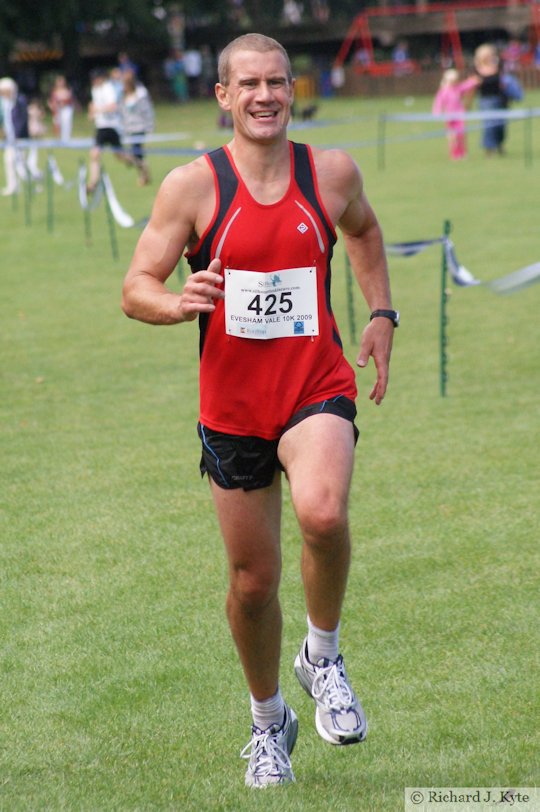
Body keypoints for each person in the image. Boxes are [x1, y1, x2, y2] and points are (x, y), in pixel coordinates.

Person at [122, 33, 397, 788]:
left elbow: (365, 230)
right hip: (234, 407)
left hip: (315, 387)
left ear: (291, 89)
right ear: (224, 96)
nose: (267, 95)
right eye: (250, 84)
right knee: (252, 582)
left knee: (325, 512)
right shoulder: (193, 187)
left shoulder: (330, 172)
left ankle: (325, 655)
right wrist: (177, 304)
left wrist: (381, 312)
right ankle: (268, 721)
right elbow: (135, 285)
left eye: (278, 81)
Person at [473, 43, 522, 156]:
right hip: (486, 101)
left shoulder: (498, 67)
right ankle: (489, 149)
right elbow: (474, 87)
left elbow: (506, 83)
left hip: (500, 100)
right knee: (489, 125)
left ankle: (500, 145)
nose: (491, 56)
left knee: (500, 125)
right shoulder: (477, 70)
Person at [87, 68, 127, 193]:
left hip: (112, 126)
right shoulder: (95, 89)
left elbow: (112, 106)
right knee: (94, 154)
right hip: (101, 127)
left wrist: (97, 111)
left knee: (120, 156)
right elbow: (94, 104)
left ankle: (139, 164)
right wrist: (91, 112)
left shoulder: (108, 88)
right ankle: (93, 183)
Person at [432, 68, 478, 160]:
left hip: (459, 115)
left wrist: (473, 80)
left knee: (461, 135)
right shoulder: (443, 91)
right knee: (452, 136)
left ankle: (462, 153)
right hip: (449, 116)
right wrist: (437, 112)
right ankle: (454, 154)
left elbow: (468, 85)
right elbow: (438, 102)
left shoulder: (458, 88)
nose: (454, 82)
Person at [120, 70, 154, 185]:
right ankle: (144, 174)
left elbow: (147, 111)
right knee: (136, 154)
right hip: (130, 129)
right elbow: (123, 114)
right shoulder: (124, 96)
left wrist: (149, 127)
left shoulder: (140, 95)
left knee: (137, 153)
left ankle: (144, 175)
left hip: (140, 128)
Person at [0, 77, 28, 195]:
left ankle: (34, 181)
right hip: (9, 139)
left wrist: (17, 135)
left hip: (19, 138)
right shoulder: (3, 104)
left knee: (21, 164)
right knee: (9, 161)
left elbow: (22, 120)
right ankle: (13, 186)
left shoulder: (19, 101)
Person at [48, 75, 75, 142]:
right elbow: (51, 101)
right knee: (58, 122)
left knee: (66, 122)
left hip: (66, 109)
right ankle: (58, 137)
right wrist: (52, 106)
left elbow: (70, 100)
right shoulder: (54, 91)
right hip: (58, 109)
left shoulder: (67, 90)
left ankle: (66, 137)